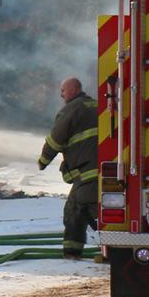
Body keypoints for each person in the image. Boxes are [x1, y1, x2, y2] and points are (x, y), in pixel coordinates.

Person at [38, 77, 98, 259]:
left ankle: (72, 253)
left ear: (73, 90)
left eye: (63, 90)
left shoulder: (70, 110)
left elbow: (55, 140)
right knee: (96, 209)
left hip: (87, 173)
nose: (61, 94)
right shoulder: (96, 106)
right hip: (107, 172)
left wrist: (43, 161)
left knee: (75, 210)